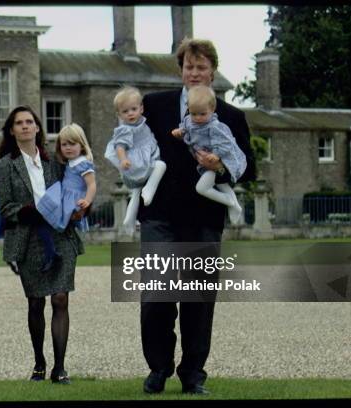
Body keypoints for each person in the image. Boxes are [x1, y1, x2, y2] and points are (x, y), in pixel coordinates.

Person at [138, 38, 256, 395]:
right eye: (189, 67)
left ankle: (193, 374)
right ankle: (158, 368)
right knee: (157, 296)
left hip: (204, 217)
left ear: (212, 71)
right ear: (181, 70)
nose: (194, 73)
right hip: (159, 214)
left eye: (201, 67)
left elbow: (249, 167)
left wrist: (220, 166)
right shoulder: (153, 106)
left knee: (198, 301)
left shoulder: (232, 117)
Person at [0, 105, 85, 384]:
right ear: (12, 130)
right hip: (29, 237)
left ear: (37, 128)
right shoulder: (4, 165)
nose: (24, 126)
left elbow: (75, 188)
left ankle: (59, 368)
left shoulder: (55, 162)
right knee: (36, 302)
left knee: (60, 298)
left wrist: (81, 207)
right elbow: (6, 208)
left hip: (61, 235)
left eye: (29, 122)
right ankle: (39, 363)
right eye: (19, 123)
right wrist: (35, 210)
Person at [171, 85, 246, 224]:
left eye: (202, 114)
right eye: (193, 114)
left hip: (219, 161)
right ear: (189, 109)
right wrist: (180, 132)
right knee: (223, 185)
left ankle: (229, 201)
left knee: (201, 188)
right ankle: (234, 205)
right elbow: (186, 128)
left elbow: (226, 143)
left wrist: (217, 155)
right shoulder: (189, 120)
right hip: (205, 162)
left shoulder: (215, 126)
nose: (198, 118)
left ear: (212, 109)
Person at [104, 86, 167, 234]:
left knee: (136, 193)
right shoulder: (125, 129)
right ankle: (150, 189)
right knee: (161, 165)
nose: (130, 113)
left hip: (142, 163)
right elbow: (119, 146)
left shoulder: (142, 125)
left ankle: (130, 219)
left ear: (141, 108)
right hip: (135, 165)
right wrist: (123, 159)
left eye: (133, 109)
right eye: (125, 111)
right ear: (119, 114)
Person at [37, 122, 96, 234]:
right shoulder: (69, 162)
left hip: (74, 197)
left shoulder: (83, 163)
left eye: (72, 144)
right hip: (64, 194)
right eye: (64, 145)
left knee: (62, 218)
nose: (68, 148)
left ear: (82, 145)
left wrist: (87, 200)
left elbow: (91, 184)